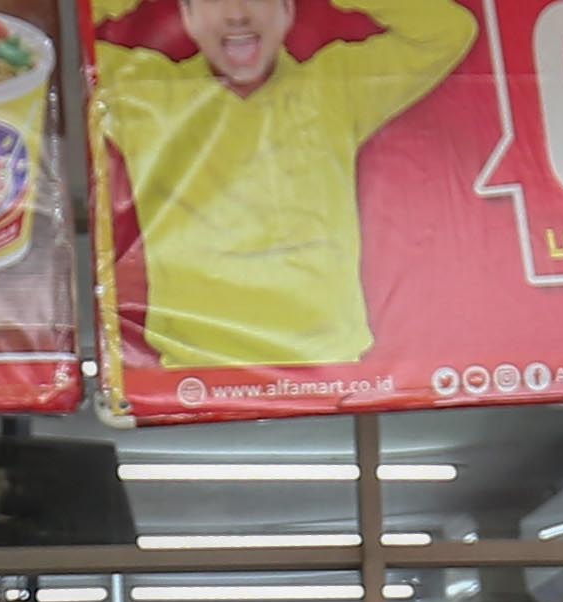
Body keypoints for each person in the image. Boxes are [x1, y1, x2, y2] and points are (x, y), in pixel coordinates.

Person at [85, 0, 472, 370]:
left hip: (328, 367)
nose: (236, 14)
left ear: (288, 11)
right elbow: (53, 42)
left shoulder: (332, 88)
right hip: (193, 368)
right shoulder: (146, 91)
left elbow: (447, 31)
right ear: (187, 15)